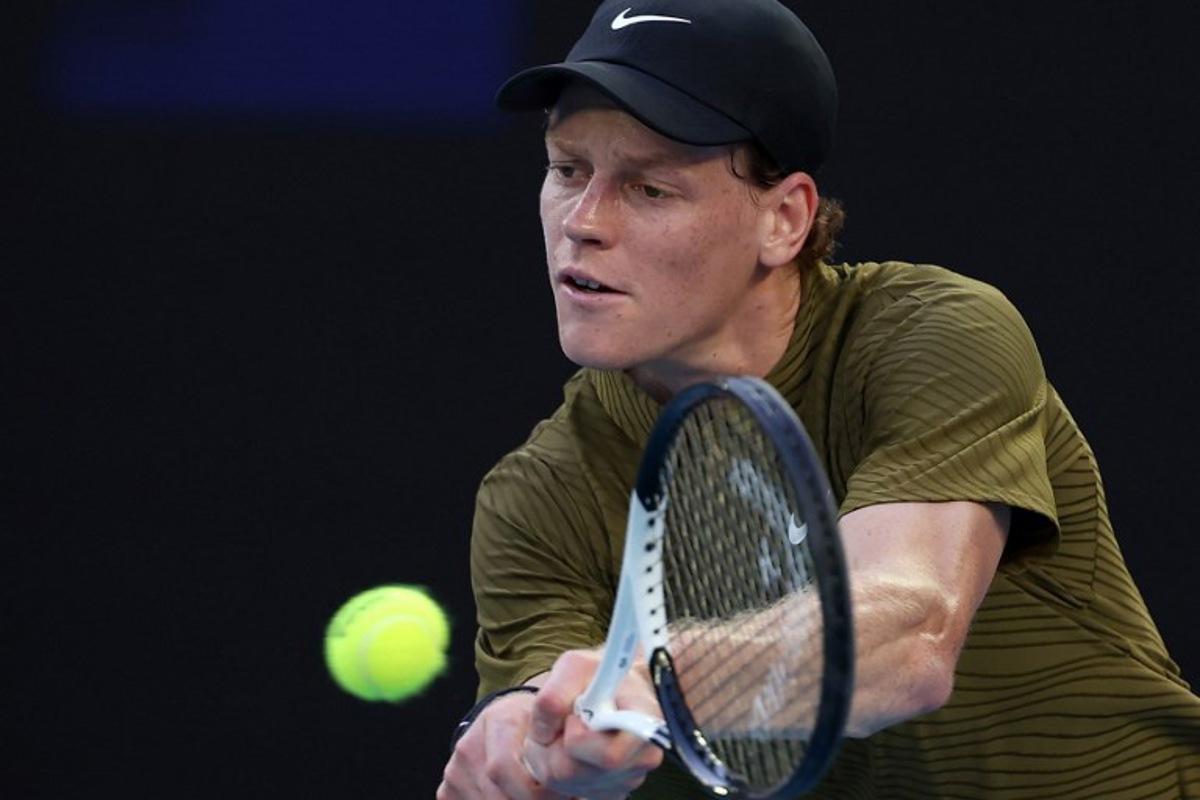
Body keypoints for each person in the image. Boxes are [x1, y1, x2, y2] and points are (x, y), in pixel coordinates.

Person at [437, 1, 1200, 797]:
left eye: (650, 188)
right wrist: (534, 748)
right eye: (567, 170)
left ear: (785, 219)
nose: (583, 222)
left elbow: (910, 636)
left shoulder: (931, 334)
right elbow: (559, 731)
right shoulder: (537, 496)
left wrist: (651, 677)